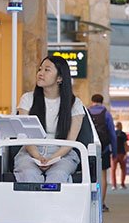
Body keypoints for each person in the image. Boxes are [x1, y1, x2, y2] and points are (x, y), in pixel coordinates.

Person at [13, 55, 85, 184]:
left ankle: (54, 204)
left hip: (62, 153)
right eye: (40, 69)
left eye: (47, 70)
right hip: (31, 151)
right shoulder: (28, 99)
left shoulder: (75, 104)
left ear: (60, 78)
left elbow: (70, 141)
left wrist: (52, 158)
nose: (40, 73)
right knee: (28, 174)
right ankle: (33, 205)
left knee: (57, 176)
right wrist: (37, 156)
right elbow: (25, 136)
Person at [89, 94, 117, 212]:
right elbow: (112, 134)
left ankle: (89, 203)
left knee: (89, 175)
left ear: (92, 101)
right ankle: (101, 203)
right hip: (104, 149)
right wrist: (114, 152)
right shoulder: (106, 114)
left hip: (88, 148)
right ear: (102, 101)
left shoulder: (87, 112)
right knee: (103, 175)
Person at [112, 121, 129, 190]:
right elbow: (125, 144)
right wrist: (126, 153)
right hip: (122, 154)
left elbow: (111, 144)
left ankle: (114, 185)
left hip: (114, 154)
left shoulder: (113, 134)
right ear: (121, 126)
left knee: (113, 170)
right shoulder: (123, 134)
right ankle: (122, 184)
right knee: (123, 169)